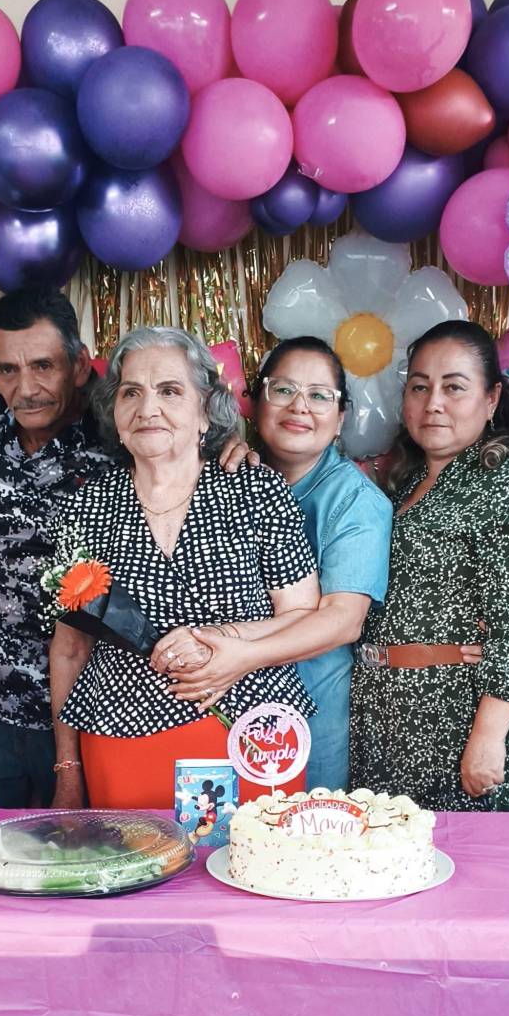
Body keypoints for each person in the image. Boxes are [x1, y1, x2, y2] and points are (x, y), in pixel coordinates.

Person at [48, 327, 320, 811]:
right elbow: (70, 649)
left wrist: (223, 639)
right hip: (121, 738)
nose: (148, 408)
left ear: (204, 410)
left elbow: (303, 614)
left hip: (251, 735)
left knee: (249, 871)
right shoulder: (86, 507)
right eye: (132, 392)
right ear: (115, 410)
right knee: (136, 874)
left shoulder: (256, 489)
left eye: (170, 391)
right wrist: (67, 770)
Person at [349, 321, 509, 811]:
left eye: (454, 387)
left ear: (491, 400)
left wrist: (488, 738)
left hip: (462, 720)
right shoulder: (406, 483)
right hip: (390, 717)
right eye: (420, 386)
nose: (434, 403)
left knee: (471, 880)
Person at [164, 338, 390, 793]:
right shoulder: (222, 473)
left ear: (341, 416)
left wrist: (240, 657)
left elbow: (343, 621)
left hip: (307, 711)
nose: (299, 407)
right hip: (213, 705)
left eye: (320, 395)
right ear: (255, 401)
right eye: (283, 389)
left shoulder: (354, 501)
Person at [0, 287, 114, 807]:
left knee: (85, 863)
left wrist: (233, 447)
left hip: (90, 713)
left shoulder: (121, 428)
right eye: (8, 369)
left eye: (43, 367)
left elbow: (195, 438)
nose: (24, 388)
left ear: (78, 365)